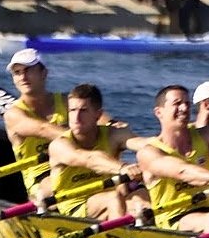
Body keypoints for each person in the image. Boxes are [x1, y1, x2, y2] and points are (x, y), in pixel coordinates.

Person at [134, 84, 209, 232]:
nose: (184, 108)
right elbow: (184, 172)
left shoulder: (206, 135)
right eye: (177, 104)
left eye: (187, 104)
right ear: (159, 112)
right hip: (175, 219)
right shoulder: (148, 153)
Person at [44, 83, 145, 220]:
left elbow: (141, 143)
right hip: (74, 208)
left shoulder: (113, 134)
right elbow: (90, 159)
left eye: (83, 110)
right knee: (114, 198)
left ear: (98, 115)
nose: (76, 117)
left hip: (108, 203)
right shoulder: (59, 145)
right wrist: (123, 168)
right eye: (72, 110)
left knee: (142, 196)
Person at [1, 48, 68, 201]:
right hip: (41, 179)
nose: (23, 77)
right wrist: (81, 137)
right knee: (59, 182)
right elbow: (43, 129)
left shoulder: (66, 101)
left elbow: (96, 114)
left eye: (28, 71)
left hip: (76, 167)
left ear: (44, 73)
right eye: (17, 73)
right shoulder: (13, 115)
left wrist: (112, 126)